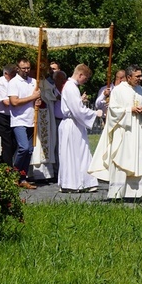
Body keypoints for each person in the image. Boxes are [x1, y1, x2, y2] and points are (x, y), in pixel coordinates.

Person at [89, 65, 142, 202]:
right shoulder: (118, 91)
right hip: (124, 131)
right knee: (121, 160)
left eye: (141, 76)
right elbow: (113, 111)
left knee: (141, 159)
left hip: (138, 131)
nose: (140, 78)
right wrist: (129, 109)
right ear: (129, 77)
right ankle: (117, 193)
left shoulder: (141, 90)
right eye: (137, 76)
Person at [58, 64, 103, 193]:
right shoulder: (71, 87)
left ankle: (80, 182)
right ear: (80, 75)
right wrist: (95, 113)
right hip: (72, 124)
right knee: (74, 153)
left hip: (74, 123)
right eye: (86, 79)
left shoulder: (71, 87)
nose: (85, 82)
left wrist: (80, 100)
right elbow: (77, 111)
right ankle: (72, 183)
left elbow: (74, 105)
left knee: (79, 152)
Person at [8, 58, 41, 189]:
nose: (26, 71)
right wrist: (32, 98)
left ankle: (23, 178)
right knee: (23, 148)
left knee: (30, 151)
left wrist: (37, 101)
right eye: (24, 68)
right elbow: (14, 102)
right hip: (18, 120)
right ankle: (14, 175)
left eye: (28, 68)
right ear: (18, 68)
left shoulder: (33, 82)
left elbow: (37, 100)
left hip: (31, 120)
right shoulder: (13, 82)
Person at [0, 64, 17, 164]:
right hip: (1, 116)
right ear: (6, 73)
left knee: (14, 143)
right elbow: (5, 102)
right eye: (12, 74)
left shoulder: (15, 83)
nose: (14, 76)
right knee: (7, 143)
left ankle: (0, 162)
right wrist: (19, 101)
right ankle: (7, 168)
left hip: (12, 116)